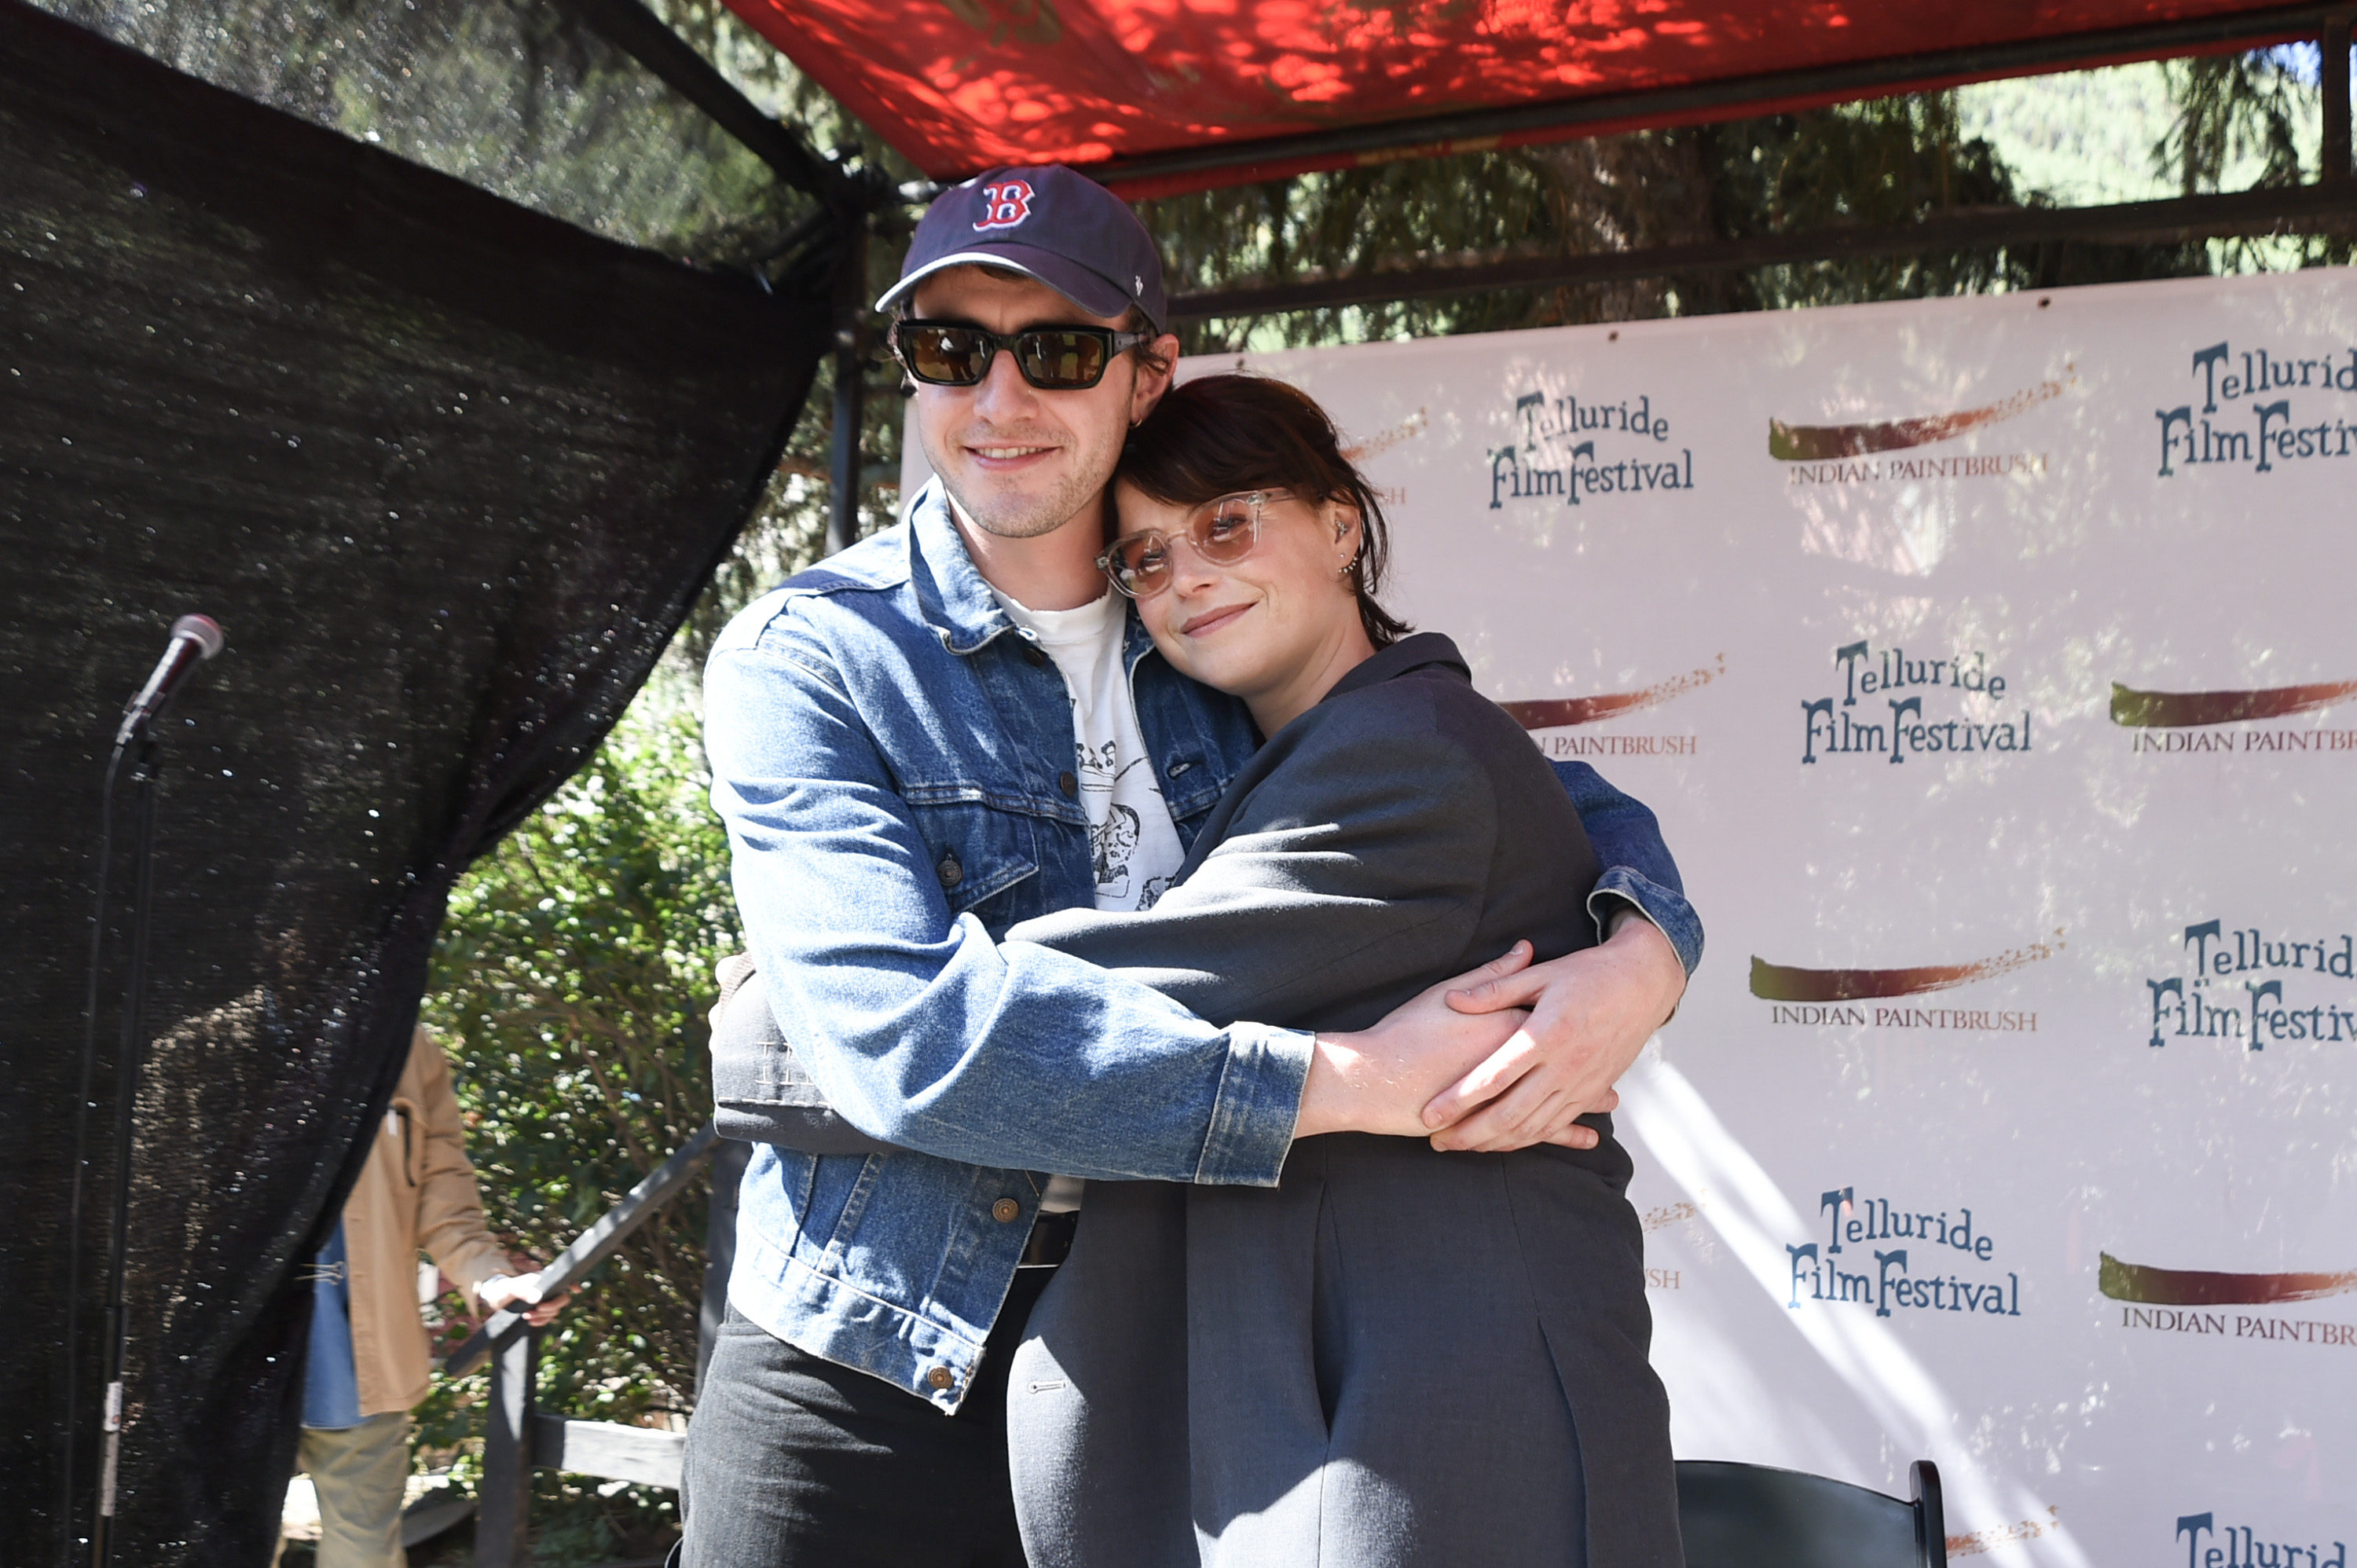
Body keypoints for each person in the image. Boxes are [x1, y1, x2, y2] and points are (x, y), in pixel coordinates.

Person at [685, 164, 1700, 1567]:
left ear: (1146, 373)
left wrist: (1644, 953)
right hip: (869, 1342)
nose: (998, 401)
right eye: (947, 350)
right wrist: (1345, 1087)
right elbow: (904, 1043)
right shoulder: (813, 656)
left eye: (1055, 349)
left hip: (1151, 1341)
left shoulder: (1218, 630)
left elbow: (1524, 788)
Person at [999, 373, 1680, 1566]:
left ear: (1340, 522)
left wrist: (828, 993)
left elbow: (1086, 1003)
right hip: (1344, 1393)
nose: (1187, 577)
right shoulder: (1337, 746)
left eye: (1226, 523)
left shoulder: (1409, 757)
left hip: (1453, 1416)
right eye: (1146, 561)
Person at [285, 1024, 566, 1568]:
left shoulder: (410, 1050)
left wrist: (493, 1280)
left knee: (362, 1556)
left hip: (362, 1365)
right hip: (231, 1370)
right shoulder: (218, 1026)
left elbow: (449, 1206)